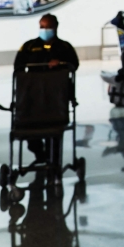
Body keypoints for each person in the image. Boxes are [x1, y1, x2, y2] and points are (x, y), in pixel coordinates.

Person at [14, 14, 79, 184]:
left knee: (54, 134)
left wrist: (61, 63)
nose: (45, 30)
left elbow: (74, 65)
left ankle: (54, 166)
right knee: (30, 134)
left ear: (55, 27)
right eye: (42, 26)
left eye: (48, 27)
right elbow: (18, 67)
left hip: (56, 99)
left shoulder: (64, 47)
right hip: (33, 99)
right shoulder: (29, 46)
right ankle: (40, 155)